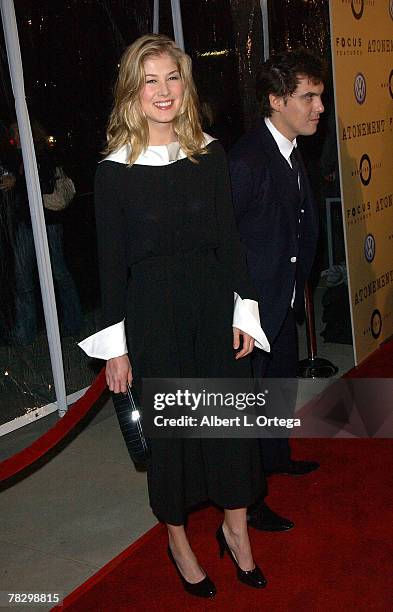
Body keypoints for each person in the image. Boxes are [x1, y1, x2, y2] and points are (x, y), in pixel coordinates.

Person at [79, 34, 270, 598]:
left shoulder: (209, 153)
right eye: (150, 80)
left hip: (214, 304)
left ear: (186, 86)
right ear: (132, 92)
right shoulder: (113, 171)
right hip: (153, 315)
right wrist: (115, 348)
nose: (163, 91)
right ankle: (179, 541)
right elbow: (109, 268)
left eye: (173, 78)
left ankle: (237, 533)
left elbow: (231, 242)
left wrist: (244, 310)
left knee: (231, 425)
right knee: (175, 437)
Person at [229, 48, 324, 531]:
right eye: (307, 96)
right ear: (275, 100)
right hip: (252, 310)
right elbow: (223, 243)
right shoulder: (247, 159)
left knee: (279, 387)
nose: (318, 107)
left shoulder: (289, 149)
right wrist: (238, 311)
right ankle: (249, 501)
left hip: (282, 300)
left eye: (319, 96)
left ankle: (276, 458)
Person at [9, 120, 82, 344]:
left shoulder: (43, 154)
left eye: (16, 133)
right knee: (22, 279)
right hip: (25, 223)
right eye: (12, 134)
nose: (14, 138)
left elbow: (46, 186)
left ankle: (72, 324)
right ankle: (24, 333)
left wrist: (17, 181)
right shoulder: (17, 157)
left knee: (58, 272)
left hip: (48, 222)